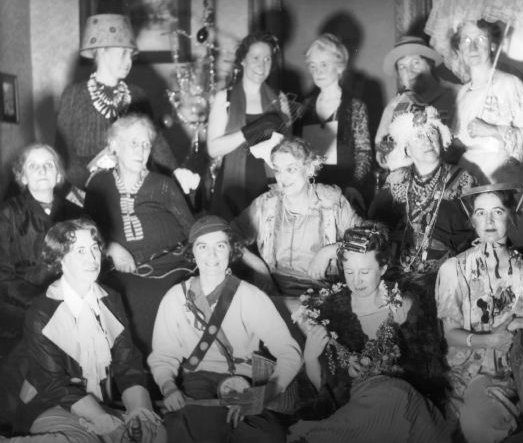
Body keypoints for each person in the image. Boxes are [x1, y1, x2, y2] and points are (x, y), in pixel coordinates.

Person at [288, 222, 451, 443]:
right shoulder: (329, 313)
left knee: (392, 394)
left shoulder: (404, 305)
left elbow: (429, 374)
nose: (356, 281)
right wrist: (310, 359)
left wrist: (382, 371)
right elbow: (321, 395)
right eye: (349, 272)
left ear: (383, 269)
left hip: (404, 404)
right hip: (353, 413)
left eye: (365, 272)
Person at [435, 183, 523, 443]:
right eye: (480, 213)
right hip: (457, 375)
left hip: (504, 376)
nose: (488, 220)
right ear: (471, 219)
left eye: (497, 212)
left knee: (478, 426)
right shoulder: (452, 270)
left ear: (512, 216)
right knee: (428, 429)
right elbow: (451, 334)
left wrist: (520, 322)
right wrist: (489, 340)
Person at [148, 215, 302, 443]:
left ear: (232, 250)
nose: (212, 256)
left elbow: (290, 353)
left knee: (265, 436)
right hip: (197, 383)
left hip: (245, 383)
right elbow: (163, 355)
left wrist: (264, 393)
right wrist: (169, 387)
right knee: (199, 431)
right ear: (193, 252)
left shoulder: (251, 296)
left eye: (220, 246)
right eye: (203, 247)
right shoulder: (175, 298)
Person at [10, 219, 166, 442]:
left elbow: (128, 364)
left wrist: (141, 412)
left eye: (94, 248)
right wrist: (104, 422)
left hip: (101, 403)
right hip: (49, 404)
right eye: (80, 251)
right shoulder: (41, 311)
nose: (92, 258)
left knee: (157, 435)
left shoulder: (111, 299)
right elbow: (54, 385)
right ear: (59, 259)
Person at [84, 114, 195, 357]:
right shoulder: (98, 184)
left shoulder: (163, 184)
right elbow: (86, 230)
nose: (141, 150)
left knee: (154, 297)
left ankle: (165, 376)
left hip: (172, 265)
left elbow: (192, 228)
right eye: (133, 142)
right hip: (121, 269)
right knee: (115, 297)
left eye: (146, 144)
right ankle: (136, 380)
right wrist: (111, 246)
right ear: (114, 145)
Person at [55, 13, 198, 196]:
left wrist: (175, 171)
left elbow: (156, 144)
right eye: (123, 54)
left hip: (132, 190)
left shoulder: (137, 94)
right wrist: (94, 182)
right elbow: (62, 155)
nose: (129, 62)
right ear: (101, 51)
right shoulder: (74, 95)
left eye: (131, 55)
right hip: (86, 194)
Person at [232, 137, 363, 296]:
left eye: (291, 169)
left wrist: (330, 251)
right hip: (273, 291)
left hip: (323, 295)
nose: (282, 178)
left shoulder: (331, 202)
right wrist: (258, 267)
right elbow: (229, 235)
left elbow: (371, 237)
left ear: (309, 169)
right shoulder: (265, 204)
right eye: (277, 170)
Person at [451, 19, 523, 247]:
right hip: (469, 177)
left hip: (503, 177)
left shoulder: (510, 84)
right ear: (459, 48)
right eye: (466, 40)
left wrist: (492, 130)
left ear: (492, 45)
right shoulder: (461, 93)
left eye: (480, 39)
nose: (472, 47)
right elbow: (459, 140)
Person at [369, 106, 476, 275]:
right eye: (418, 137)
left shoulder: (463, 179)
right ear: (406, 149)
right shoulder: (397, 179)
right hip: (397, 272)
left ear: (441, 139)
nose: (427, 141)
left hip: (447, 273)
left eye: (432, 133)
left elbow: (478, 230)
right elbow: (374, 225)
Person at [0, 144, 81, 342]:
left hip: (70, 301)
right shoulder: (7, 214)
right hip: (21, 306)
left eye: (48, 165)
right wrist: (44, 302)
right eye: (33, 166)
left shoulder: (75, 213)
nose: (42, 170)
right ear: (23, 177)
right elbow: (3, 276)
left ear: (59, 175)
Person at [207, 32, 292, 220]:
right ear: (243, 60)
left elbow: (290, 152)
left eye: (267, 59)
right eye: (255, 58)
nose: (261, 65)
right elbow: (213, 149)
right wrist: (252, 129)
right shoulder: (225, 97)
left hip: (270, 187)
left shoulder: (280, 99)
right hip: (233, 188)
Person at [298, 33, 373, 213]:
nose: (318, 71)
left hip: (345, 192)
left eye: (324, 64)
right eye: (313, 66)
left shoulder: (355, 106)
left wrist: (354, 186)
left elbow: (364, 154)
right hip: (312, 195)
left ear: (339, 67)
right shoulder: (305, 106)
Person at [375, 36, 457, 169]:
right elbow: (381, 147)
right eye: (402, 67)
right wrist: (386, 151)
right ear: (399, 76)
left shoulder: (454, 95)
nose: (410, 71)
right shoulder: (394, 106)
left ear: (429, 64)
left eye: (416, 63)